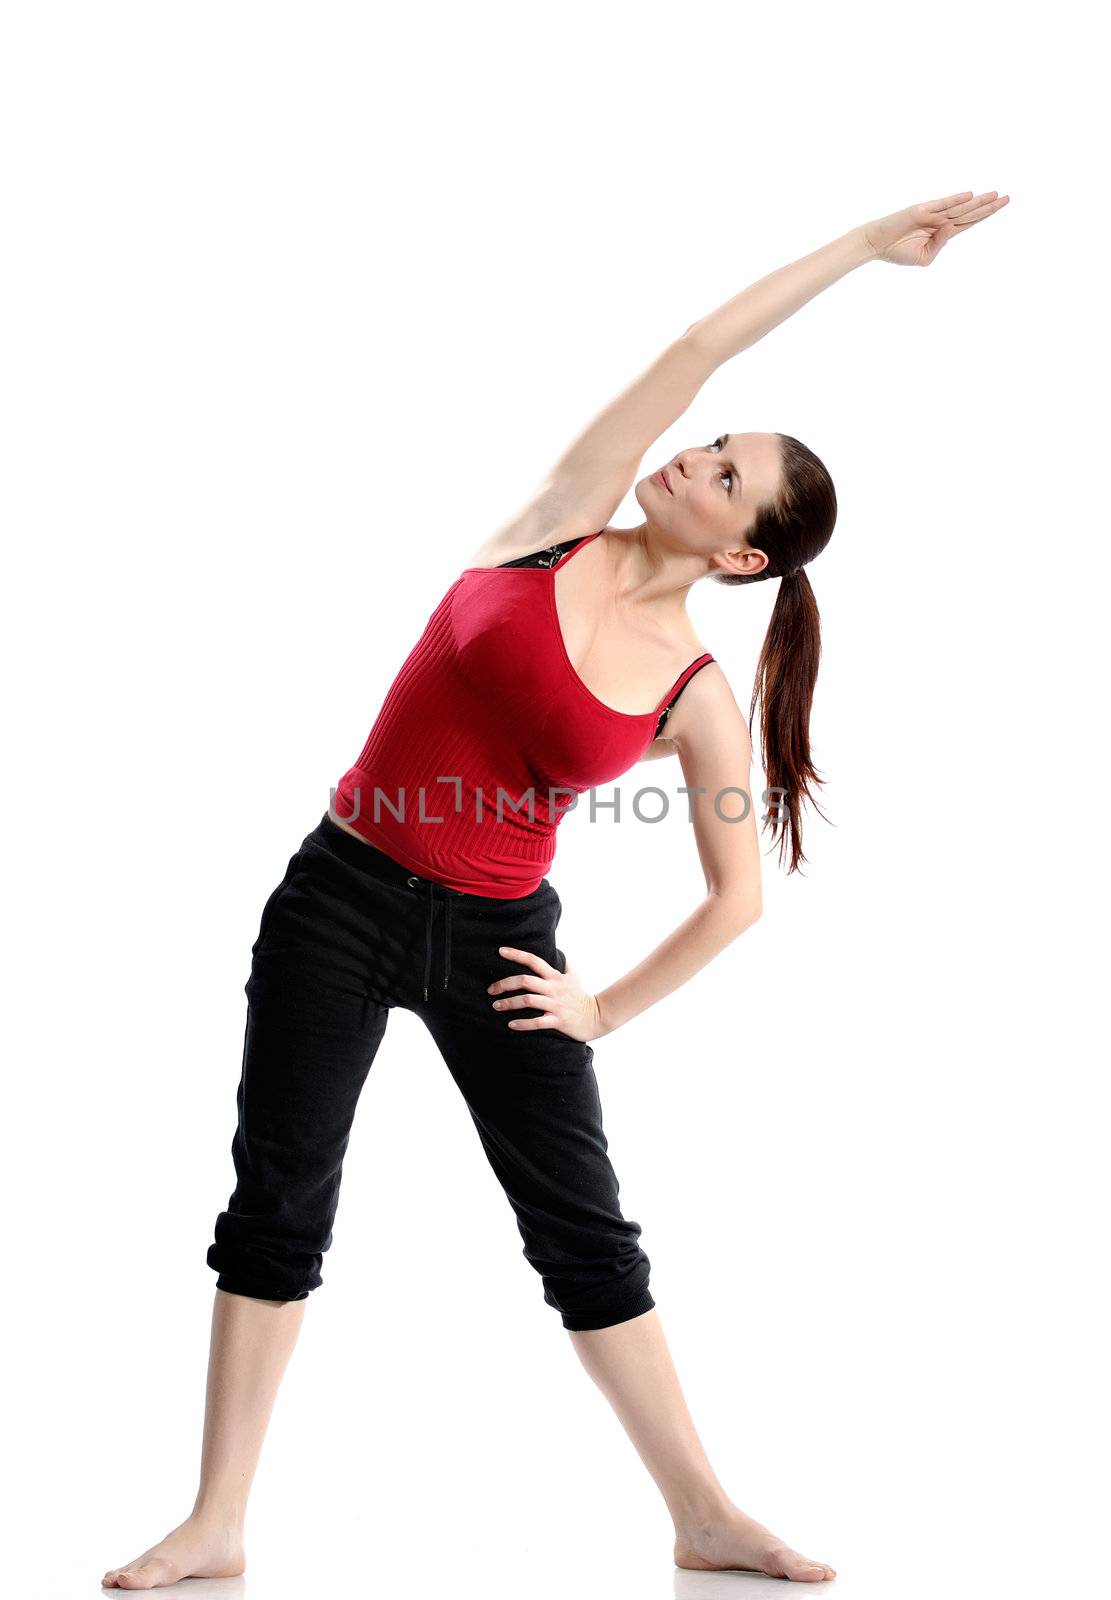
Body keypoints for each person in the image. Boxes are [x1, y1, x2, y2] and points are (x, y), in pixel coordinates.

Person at [102, 189, 1009, 1591]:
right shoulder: (560, 520)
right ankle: (219, 1519)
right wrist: (864, 248)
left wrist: (600, 1008)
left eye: (721, 475)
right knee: (278, 1195)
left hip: (501, 951)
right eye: (710, 443)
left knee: (580, 1228)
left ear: (742, 554)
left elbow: (735, 897)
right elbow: (700, 341)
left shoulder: (697, 696)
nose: (693, 457)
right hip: (338, 897)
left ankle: (704, 1512)